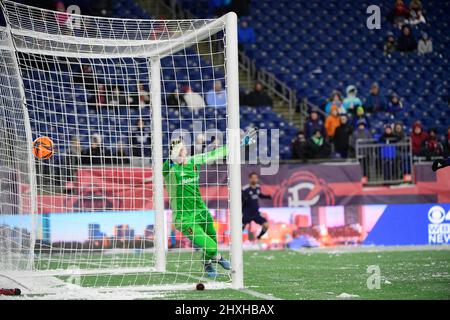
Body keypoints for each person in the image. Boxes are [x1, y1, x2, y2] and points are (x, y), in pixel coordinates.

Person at [162, 129, 256, 277]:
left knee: (213, 239)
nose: (181, 152)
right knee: (211, 248)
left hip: (201, 211)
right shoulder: (170, 172)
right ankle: (219, 258)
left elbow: (216, 153)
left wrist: (239, 144)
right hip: (185, 219)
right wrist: (171, 159)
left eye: (182, 148)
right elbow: (165, 168)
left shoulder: (194, 162)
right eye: (177, 150)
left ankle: (207, 264)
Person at [242, 172, 272, 241]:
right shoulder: (245, 189)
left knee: (266, 225)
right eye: (253, 178)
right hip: (246, 212)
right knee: (240, 228)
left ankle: (258, 237)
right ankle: (236, 242)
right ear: (250, 179)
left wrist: (268, 196)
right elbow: (242, 199)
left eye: (255, 178)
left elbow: (259, 195)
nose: (254, 179)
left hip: (256, 213)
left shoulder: (258, 187)